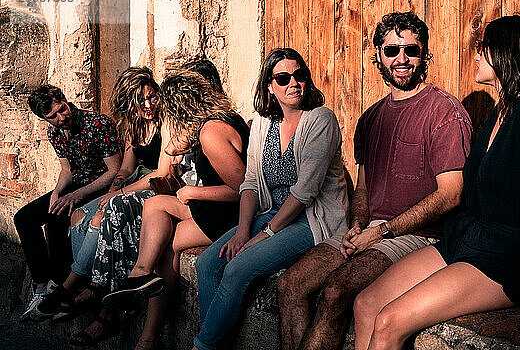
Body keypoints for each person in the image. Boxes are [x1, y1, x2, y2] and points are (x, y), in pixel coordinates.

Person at [353, 15, 520, 350]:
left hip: (513, 253)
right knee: (366, 305)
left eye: (483, 47)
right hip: (471, 235)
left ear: (506, 54)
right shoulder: (501, 110)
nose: (476, 54)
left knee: (388, 322)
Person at [277, 12, 472, 350]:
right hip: (371, 229)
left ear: (424, 53)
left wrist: (380, 232)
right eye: (392, 50)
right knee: (290, 284)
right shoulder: (371, 118)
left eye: (410, 49)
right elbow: (364, 187)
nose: (401, 59)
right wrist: (356, 225)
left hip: (419, 236)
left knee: (338, 288)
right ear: (379, 56)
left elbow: (451, 195)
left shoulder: (444, 112)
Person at [183, 48, 348, 350]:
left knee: (237, 268)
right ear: (270, 86)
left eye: (299, 75)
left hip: (311, 221)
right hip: (270, 214)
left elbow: (305, 192)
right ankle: (215, 342)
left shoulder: (321, 119)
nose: (293, 83)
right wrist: (245, 231)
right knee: (208, 262)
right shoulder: (261, 123)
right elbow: (249, 183)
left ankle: (203, 346)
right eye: (283, 78)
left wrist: (265, 234)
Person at [102, 68, 250, 350]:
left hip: (227, 214)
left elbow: (243, 189)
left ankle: (148, 337)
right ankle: (140, 273)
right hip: (210, 207)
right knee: (155, 206)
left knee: (166, 244)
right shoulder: (210, 123)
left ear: (182, 108)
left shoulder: (211, 133)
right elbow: (171, 149)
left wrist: (193, 191)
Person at [31, 67, 161, 321]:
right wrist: (62, 192)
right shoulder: (135, 125)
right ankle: (78, 285)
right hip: (124, 183)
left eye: (152, 97)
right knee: (76, 215)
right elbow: (125, 168)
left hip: (148, 186)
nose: (147, 105)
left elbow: (138, 172)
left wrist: (114, 190)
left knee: (99, 217)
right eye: (140, 101)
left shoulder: (102, 123)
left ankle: (72, 288)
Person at [15, 85, 122, 322]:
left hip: (101, 187)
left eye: (62, 109)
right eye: (52, 116)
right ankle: (43, 286)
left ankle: (63, 287)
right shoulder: (54, 132)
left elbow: (115, 171)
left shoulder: (97, 123)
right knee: (24, 217)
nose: (61, 117)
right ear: (45, 118)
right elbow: (67, 170)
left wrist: (75, 196)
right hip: (76, 186)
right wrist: (57, 192)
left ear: (65, 100)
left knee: (59, 214)